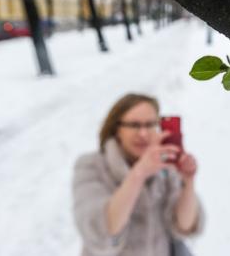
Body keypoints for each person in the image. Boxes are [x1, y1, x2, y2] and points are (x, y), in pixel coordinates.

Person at [73, 93, 204, 256]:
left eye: (150, 125)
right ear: (116, 129)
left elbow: (184, 226)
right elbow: (100, 233)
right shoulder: (91, 166)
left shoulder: (166, 169)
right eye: (134, 125)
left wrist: (188, 181)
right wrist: (139, 173)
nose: (143, 133)